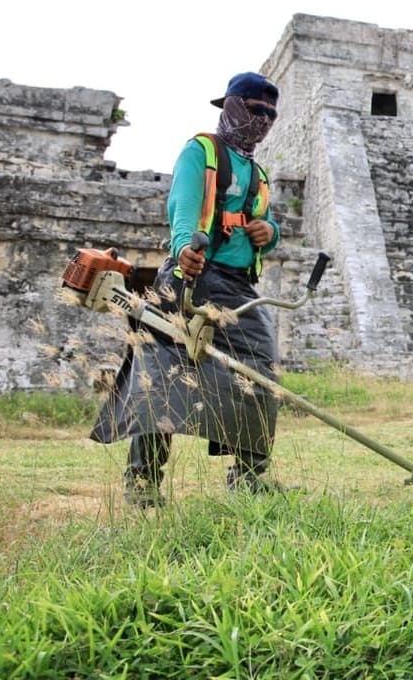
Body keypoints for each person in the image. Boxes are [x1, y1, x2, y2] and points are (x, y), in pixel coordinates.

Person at [91, 72, 285, 506]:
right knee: (158, 377)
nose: (264, 121)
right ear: (231, 107)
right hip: (189, 279)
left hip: (238, 289)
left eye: (271, 115)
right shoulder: (201, 151)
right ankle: (142, 482)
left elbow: (269, 223)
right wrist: (183, 250)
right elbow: (182, 207)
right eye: (256, 111)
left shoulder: (257, 171)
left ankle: (250, 477)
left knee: (260, 372)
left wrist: (266, 232)